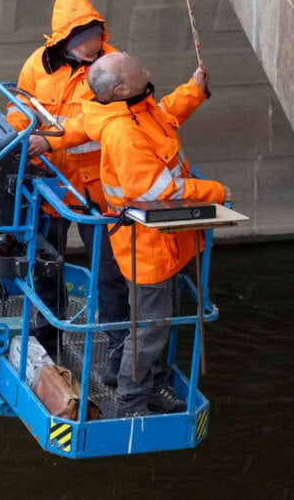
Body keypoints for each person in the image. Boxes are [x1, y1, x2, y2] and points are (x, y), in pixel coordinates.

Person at [82, 52, 231, 417]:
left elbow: (165, 116)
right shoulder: (123, 133)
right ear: (120, 88)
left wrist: (193, 91)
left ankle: (154, 385)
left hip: (162, 241)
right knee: (150, 328)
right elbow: (156, 189)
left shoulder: (136, 110)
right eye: (137, 70)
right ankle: (131, 401)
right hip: (148, 248)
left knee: (157, 324)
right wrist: (215, 192)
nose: (145, 69)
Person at [6, 0, 129, 380]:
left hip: (97, 188)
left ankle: (117, 351)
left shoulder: (114, 67)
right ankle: (49, 335)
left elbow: (102, 123)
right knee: (46, 266)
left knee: (110, 274)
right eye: (89, 40)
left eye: (98, 38)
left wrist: (53, 139)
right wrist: (17, 133)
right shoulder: (37, 66)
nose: (96, 47)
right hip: (51, 185)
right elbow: (18, 106)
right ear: (67, 41)